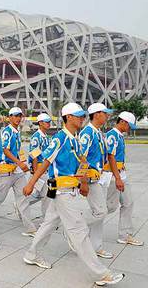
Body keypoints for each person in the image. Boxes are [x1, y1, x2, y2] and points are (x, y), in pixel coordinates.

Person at [22, 103, 124, 286]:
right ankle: (101, 274)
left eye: (82, 116)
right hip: (61, 191)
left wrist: (84, 181)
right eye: (78, 116)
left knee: (48, 224)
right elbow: (45, 162)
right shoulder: (60, 138)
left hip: (70, 189)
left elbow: (82, 160)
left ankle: (31, 254)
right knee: (79, 231)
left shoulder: (75, 138)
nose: (81, 119)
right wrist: (30, 183)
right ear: (68, 117)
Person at [0, 107, 36, 237]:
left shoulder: (17, 132)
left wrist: (22, 162)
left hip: (17, 171)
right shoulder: (7, 131)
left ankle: (30, 228)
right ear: (10, 117)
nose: (18, 118)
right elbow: (6, 150)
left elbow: (17, 150)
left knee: (23, 198)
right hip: (7, 170)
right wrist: (19, 162)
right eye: (15, 115)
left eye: (19, 115)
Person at [79, 103, 114, 259]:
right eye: (105, 113)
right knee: (101, 211)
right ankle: (75, 228)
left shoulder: (99, 133)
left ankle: (96, 246)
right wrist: (84, 181)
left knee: (100, 212)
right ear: (97, 114)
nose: (107, 116)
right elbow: (81, 158)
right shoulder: (87, 133)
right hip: (90, 179)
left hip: (98, 177)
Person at [104, 111, 144, 246]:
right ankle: (80, 225)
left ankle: (124, 235)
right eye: (129, 126)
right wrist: (117, 178)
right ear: (123, 122)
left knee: (128, 203)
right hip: (112, 176)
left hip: (121, 174)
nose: (129, 129)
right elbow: (110, 157)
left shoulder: (119, 136)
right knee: (109, 207)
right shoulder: (112, 136)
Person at [27, 113, 51, 217]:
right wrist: (36, 173)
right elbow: (34, 155)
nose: (49, 124)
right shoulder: (36, 137)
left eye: (49, 122)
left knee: (39, 194)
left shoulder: (45, 136)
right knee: (46, 195)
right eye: (46, 122)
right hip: (39, 169)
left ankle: (22, 204)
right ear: (40, 123)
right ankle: (46, 218)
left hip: (45, 169)